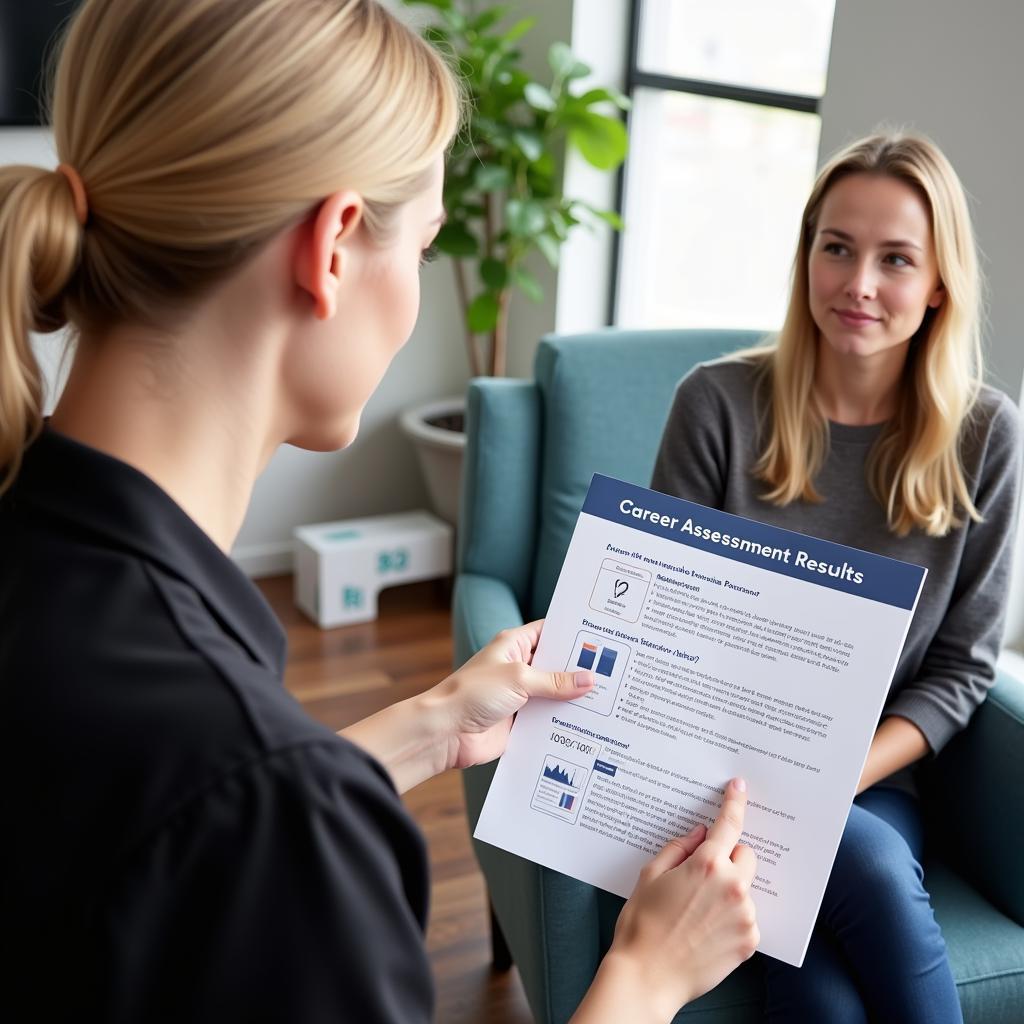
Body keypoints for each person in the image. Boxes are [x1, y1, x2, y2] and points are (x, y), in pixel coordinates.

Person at [0, 2, 759, 1021]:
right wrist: (645, 975)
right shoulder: (263, 802)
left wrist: (427, 727)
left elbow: (130, 837)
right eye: (428, 245)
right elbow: (227, 815)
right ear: (334, 247)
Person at [651, 131, 1023, 1022]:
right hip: (708, 776)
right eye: (837, 248)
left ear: (939, 285)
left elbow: (964, 670)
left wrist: (827, 780)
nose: (858, 284)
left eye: (896, 259)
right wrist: (768, 785)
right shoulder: (716, 405)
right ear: (806, 255)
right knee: (869, 874)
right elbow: (663, 626)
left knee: (826, 989)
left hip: (868, 781)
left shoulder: (985, 437)